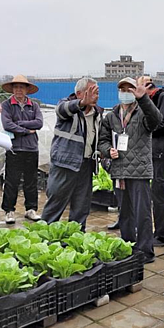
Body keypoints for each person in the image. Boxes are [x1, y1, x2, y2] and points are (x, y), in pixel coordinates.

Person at [98, 77, 163, 263]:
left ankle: (145, 251)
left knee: (142, 213)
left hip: (139, 171)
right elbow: (102, 140)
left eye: (129, 89)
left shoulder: (143, 113)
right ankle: (128, 246)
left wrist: (144, 99)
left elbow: (157, 121)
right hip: (119, 170)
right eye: (122, 89)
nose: (125, 93)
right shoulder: (112, 116)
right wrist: (107, 151)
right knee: (124, 212)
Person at [41, 77, 102, 229]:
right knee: (56, 203)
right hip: (65, 164)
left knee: (81, 206)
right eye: (92, 92)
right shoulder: (67, 106)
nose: (96, 96)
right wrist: (82, 103)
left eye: (97, 92)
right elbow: (62, 110)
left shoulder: (97, 113)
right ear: (80, 93)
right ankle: (45, 240)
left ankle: (75, 239)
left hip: (86, 164)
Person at [138, 75, 164, 246]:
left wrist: (146, 128)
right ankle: (159, 232)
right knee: (157, 193)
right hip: (156, 154)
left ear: (148, 86)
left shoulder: (162, 97)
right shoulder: (156, 98)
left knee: (161, 194)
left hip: (162, 154)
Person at [0, 75, 44, 224]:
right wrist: (25, 130)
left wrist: (19, 123)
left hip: (31, 148)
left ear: (27, 90)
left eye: (21, 87)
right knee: (12, 180)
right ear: (12, 89)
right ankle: (9, 210)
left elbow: (39, 123)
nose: (18, 90)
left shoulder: (34, 105)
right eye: (16, 87)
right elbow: (7, 125)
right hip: (14, 148)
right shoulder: (6, 105)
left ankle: (31, 209)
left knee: (31, 180)